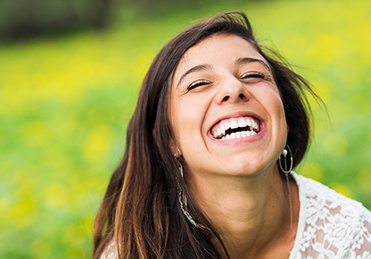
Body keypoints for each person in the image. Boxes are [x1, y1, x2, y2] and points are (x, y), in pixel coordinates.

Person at [93, 11, 371, 259]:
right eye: (199, 83)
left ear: (284, 115)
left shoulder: (351, 237)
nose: (234, 87)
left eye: (253, 74)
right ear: (169, 140)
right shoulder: (133, 251)